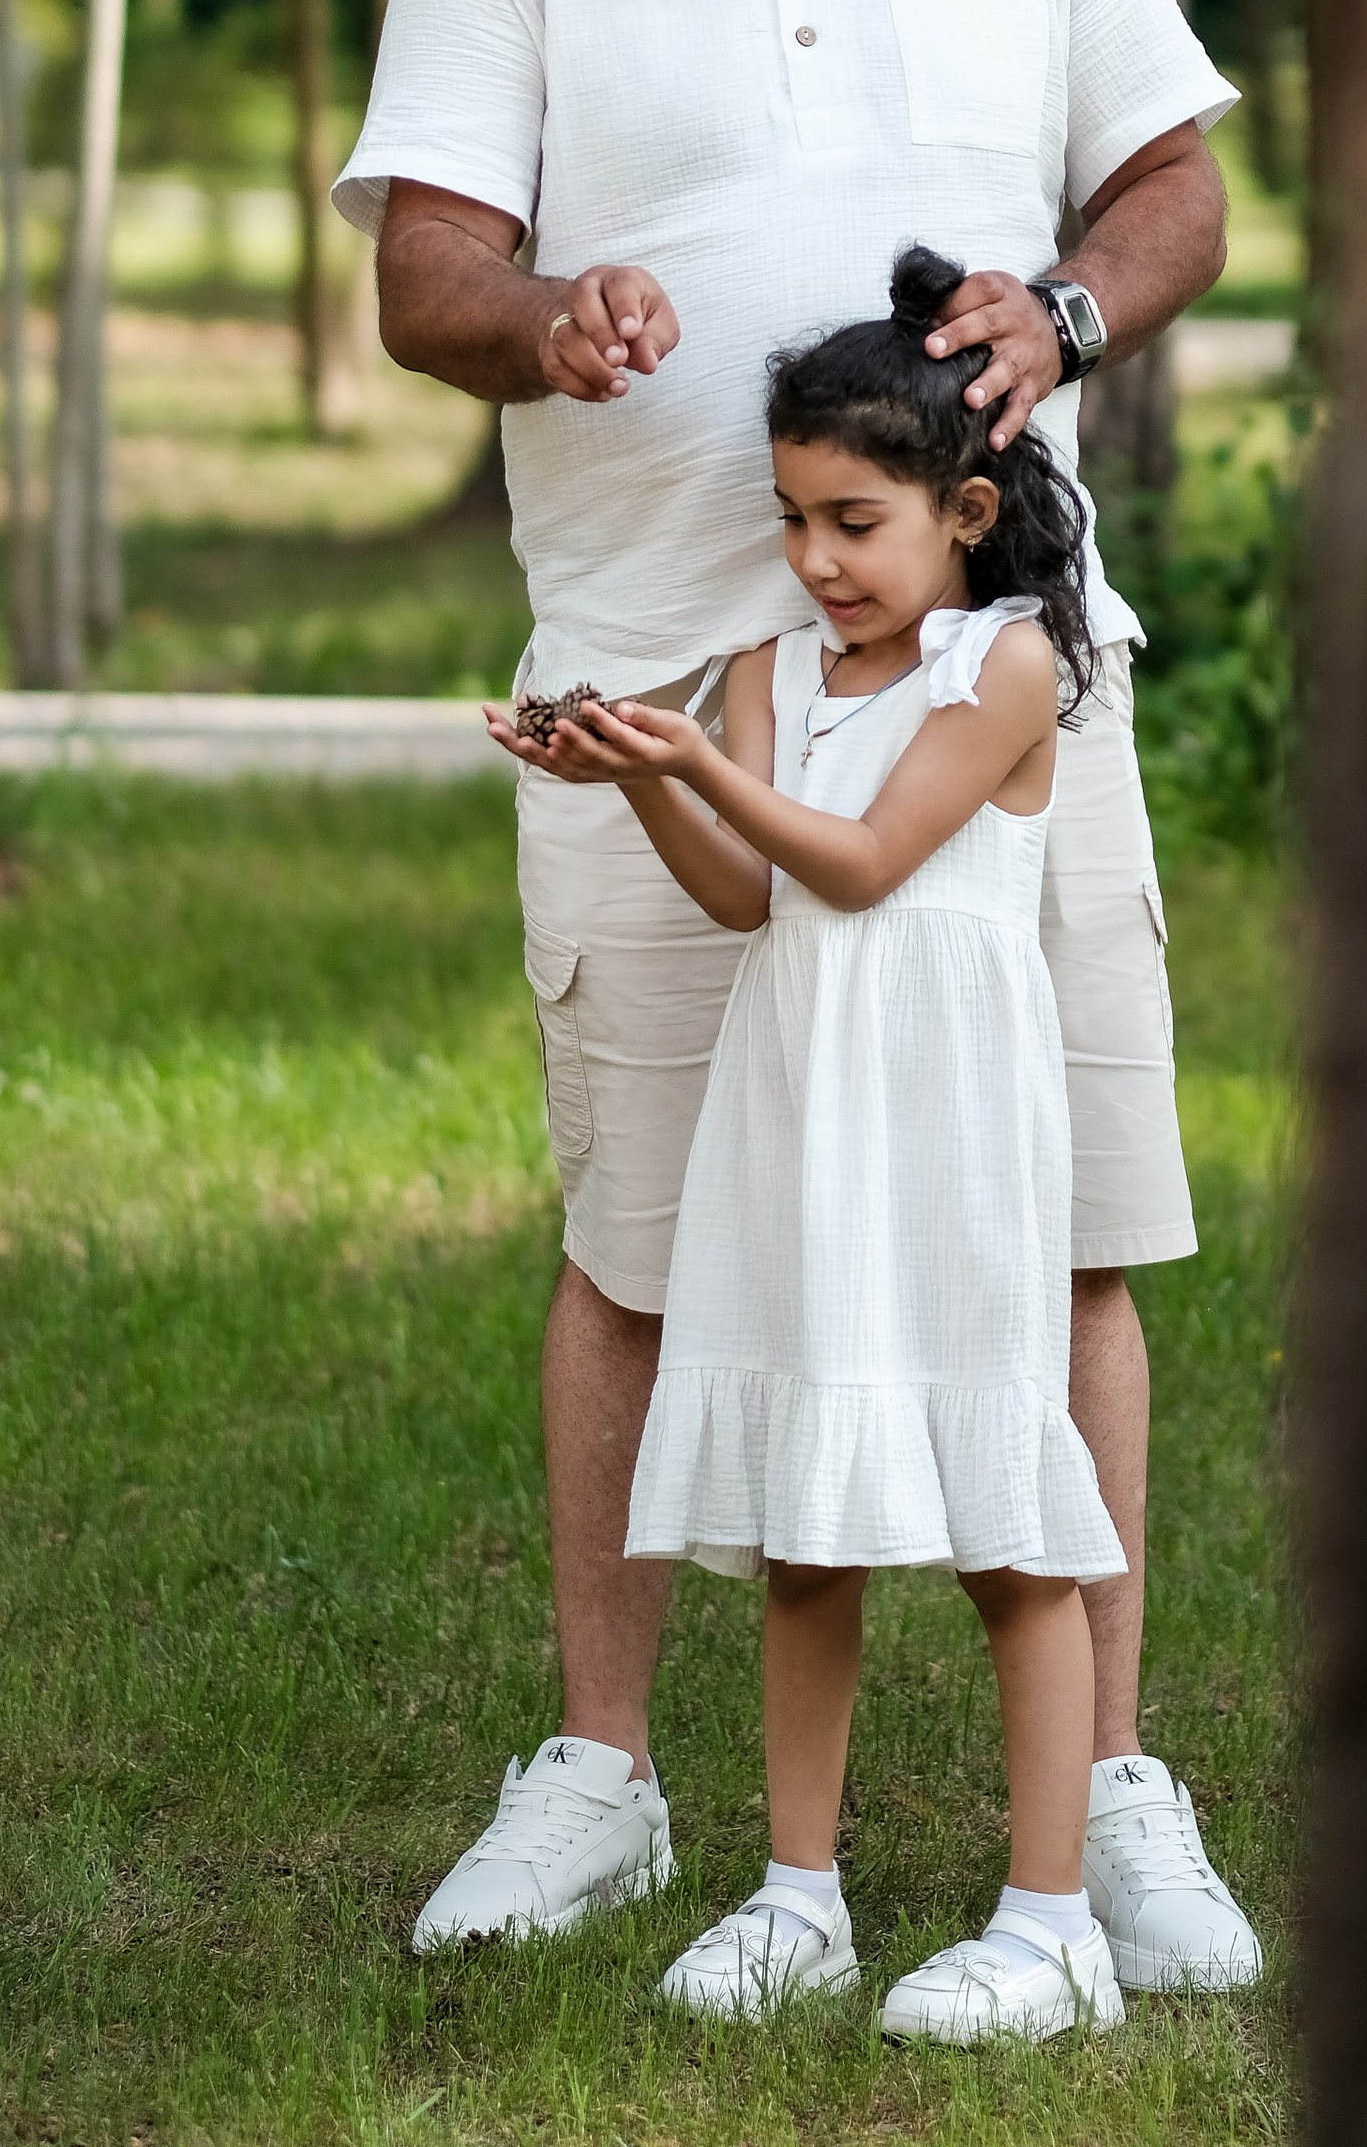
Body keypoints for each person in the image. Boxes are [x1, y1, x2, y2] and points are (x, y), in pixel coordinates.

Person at [335, 0, 1261, 1992]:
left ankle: (1113, 1796)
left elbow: (1174, 188)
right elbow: (421, 266)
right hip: (659, 659)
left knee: (1061, 1227)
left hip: (1004, 690)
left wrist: (1062, 308)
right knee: (644, 1240)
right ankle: (612, 1783)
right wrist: (543, 321)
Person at [493, 248, 1128, 2042]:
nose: (817, 562)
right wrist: (638, 771)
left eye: (854, 521)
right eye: (791, 523)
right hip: (806, 1141)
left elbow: (863, 862)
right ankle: (798, 1897)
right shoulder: (773, 675)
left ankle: (1055, 1920)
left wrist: (695, 766)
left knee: (1009, 1528)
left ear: (966, 508)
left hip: (943, 1151)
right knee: (805, 1539)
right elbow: (759, 899)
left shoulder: (1004, 674)